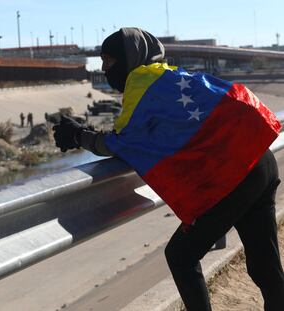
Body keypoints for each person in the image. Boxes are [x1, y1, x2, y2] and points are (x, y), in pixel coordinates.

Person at [53, 27, 284, 311]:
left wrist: (79, 136)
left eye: (109, 62)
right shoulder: (169, 75)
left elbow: (120, 142)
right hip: (259, 159)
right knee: (266, 268)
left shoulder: (140, 81)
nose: (103, 69)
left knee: (180, 256)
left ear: (129, 58)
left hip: (234, 174)